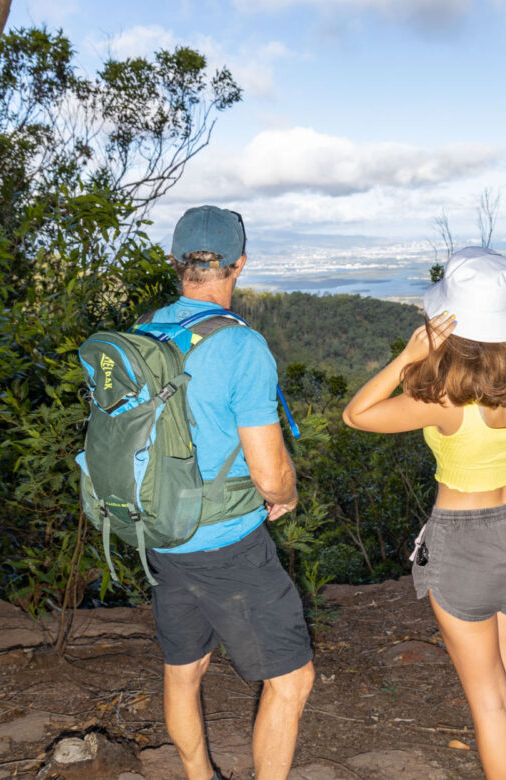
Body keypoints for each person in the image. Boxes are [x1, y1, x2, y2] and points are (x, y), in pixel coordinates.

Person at [342, 246, 506, 780]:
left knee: (488, 701)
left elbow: (356, 415)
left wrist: (409, 355)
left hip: (464, 547)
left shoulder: (441, 401)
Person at [143, 205, 314, 780]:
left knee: (183, 671)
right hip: (226, 543)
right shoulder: (241, 346)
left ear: (176, 262)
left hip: (161, 533)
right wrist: (286, 493)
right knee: (292, 680)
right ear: (239, 264)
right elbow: (270, 475)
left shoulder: (142, 334)